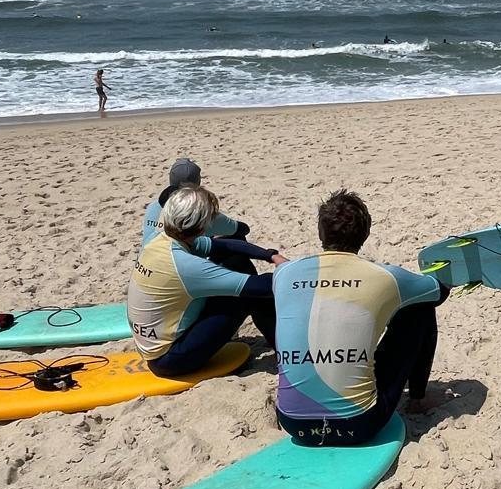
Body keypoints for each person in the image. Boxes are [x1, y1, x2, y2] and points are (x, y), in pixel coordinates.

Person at [272, 190, 450, 445]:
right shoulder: (386, 276)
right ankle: (419, 399)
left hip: (292, 423)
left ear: (321, 233)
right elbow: (439, 292)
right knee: (419, 309)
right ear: (366, 234)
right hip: (358, 424)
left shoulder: (284, 275)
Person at [128, 186, 277, 376]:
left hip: (151, 346)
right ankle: (285, 350)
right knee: (252, 294)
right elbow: (261, 286)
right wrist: (299, 273)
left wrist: (269, 255)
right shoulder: (185, 265)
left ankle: (279, 343)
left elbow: (225, 246)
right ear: (202, 227)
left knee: (237, 262)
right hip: (170, 359)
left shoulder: (161, 240)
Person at [140, 159, 287, 273]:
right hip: (180, 270)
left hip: (149, 264)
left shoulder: (154, 206)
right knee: (233, 239)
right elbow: (242, 229)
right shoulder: (199, 211)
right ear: (198, 182)